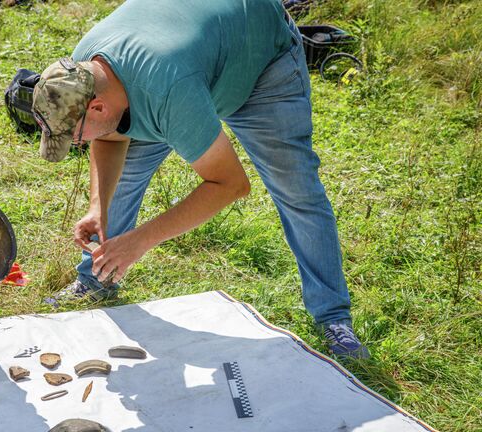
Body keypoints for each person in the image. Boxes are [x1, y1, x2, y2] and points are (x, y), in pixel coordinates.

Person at [31, 0, 369, 358]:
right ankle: (95, 280)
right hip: (190, 64)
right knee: (124, 177)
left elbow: (230, 184)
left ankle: (333, 318)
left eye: (75, 136)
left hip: (259, 60)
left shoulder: (168, 92)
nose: (79, 143)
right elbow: (109, 137)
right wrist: (98, 207)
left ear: (97, 107)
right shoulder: (83, 72)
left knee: (294, 187)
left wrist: (139, 241)